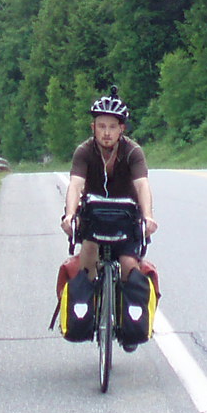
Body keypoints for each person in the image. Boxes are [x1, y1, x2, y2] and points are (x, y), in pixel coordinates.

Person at [60, 90, 157, 278]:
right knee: (88, 255)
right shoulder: (84, 151)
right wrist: (70, 215)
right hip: (94, 218)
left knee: (129, 265)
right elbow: (75, 185)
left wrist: (148, 217)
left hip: (126, 219)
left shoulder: (133, 152)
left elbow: (142, 185)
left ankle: (130, 306)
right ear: (93, 127)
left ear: (122, 128)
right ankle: (86, 304)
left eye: (112, 127)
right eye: (101, 126)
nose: (106, 133)